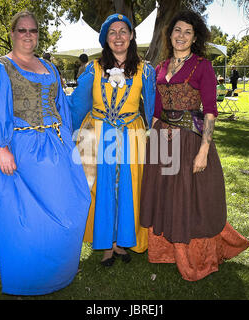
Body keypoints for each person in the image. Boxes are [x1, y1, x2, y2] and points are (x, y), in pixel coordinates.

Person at [0, 10, 91, 295]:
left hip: (56, 145)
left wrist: (69, 138)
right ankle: (32, 276)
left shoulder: (49, 68)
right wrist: (1, 147)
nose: (28, 35)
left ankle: (61, 266)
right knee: (27, 218)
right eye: (22, 30)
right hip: (21, 150)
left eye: (33, 31)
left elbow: (61, 107)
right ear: (13, 33)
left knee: (73, 202)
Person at [140, 10, 249, 282]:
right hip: (162, 138)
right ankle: (165, 250)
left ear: (195, 37)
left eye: (188, 32)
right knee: (165, 194)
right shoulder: (162, 67)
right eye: (177, 30)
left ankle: (193, 255)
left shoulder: (203, 66)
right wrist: (149, 136)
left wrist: (203, 150)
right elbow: (157, 108)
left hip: (190, 139)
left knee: (188, 197)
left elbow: (211, 111)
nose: (181, 36)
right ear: (170, 34)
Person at [69, 13, 156, 266]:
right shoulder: (93, 69)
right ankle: (105, 244)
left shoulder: (145, 70)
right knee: (101, 189)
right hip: (98, 134)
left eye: (123, 31)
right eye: (112, 33)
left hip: (132, 135)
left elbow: (151, 107)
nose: (118, 37)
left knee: (129, 189)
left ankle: (121, 242)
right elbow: (77, 104)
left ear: (131, 36)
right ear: (106, 39)